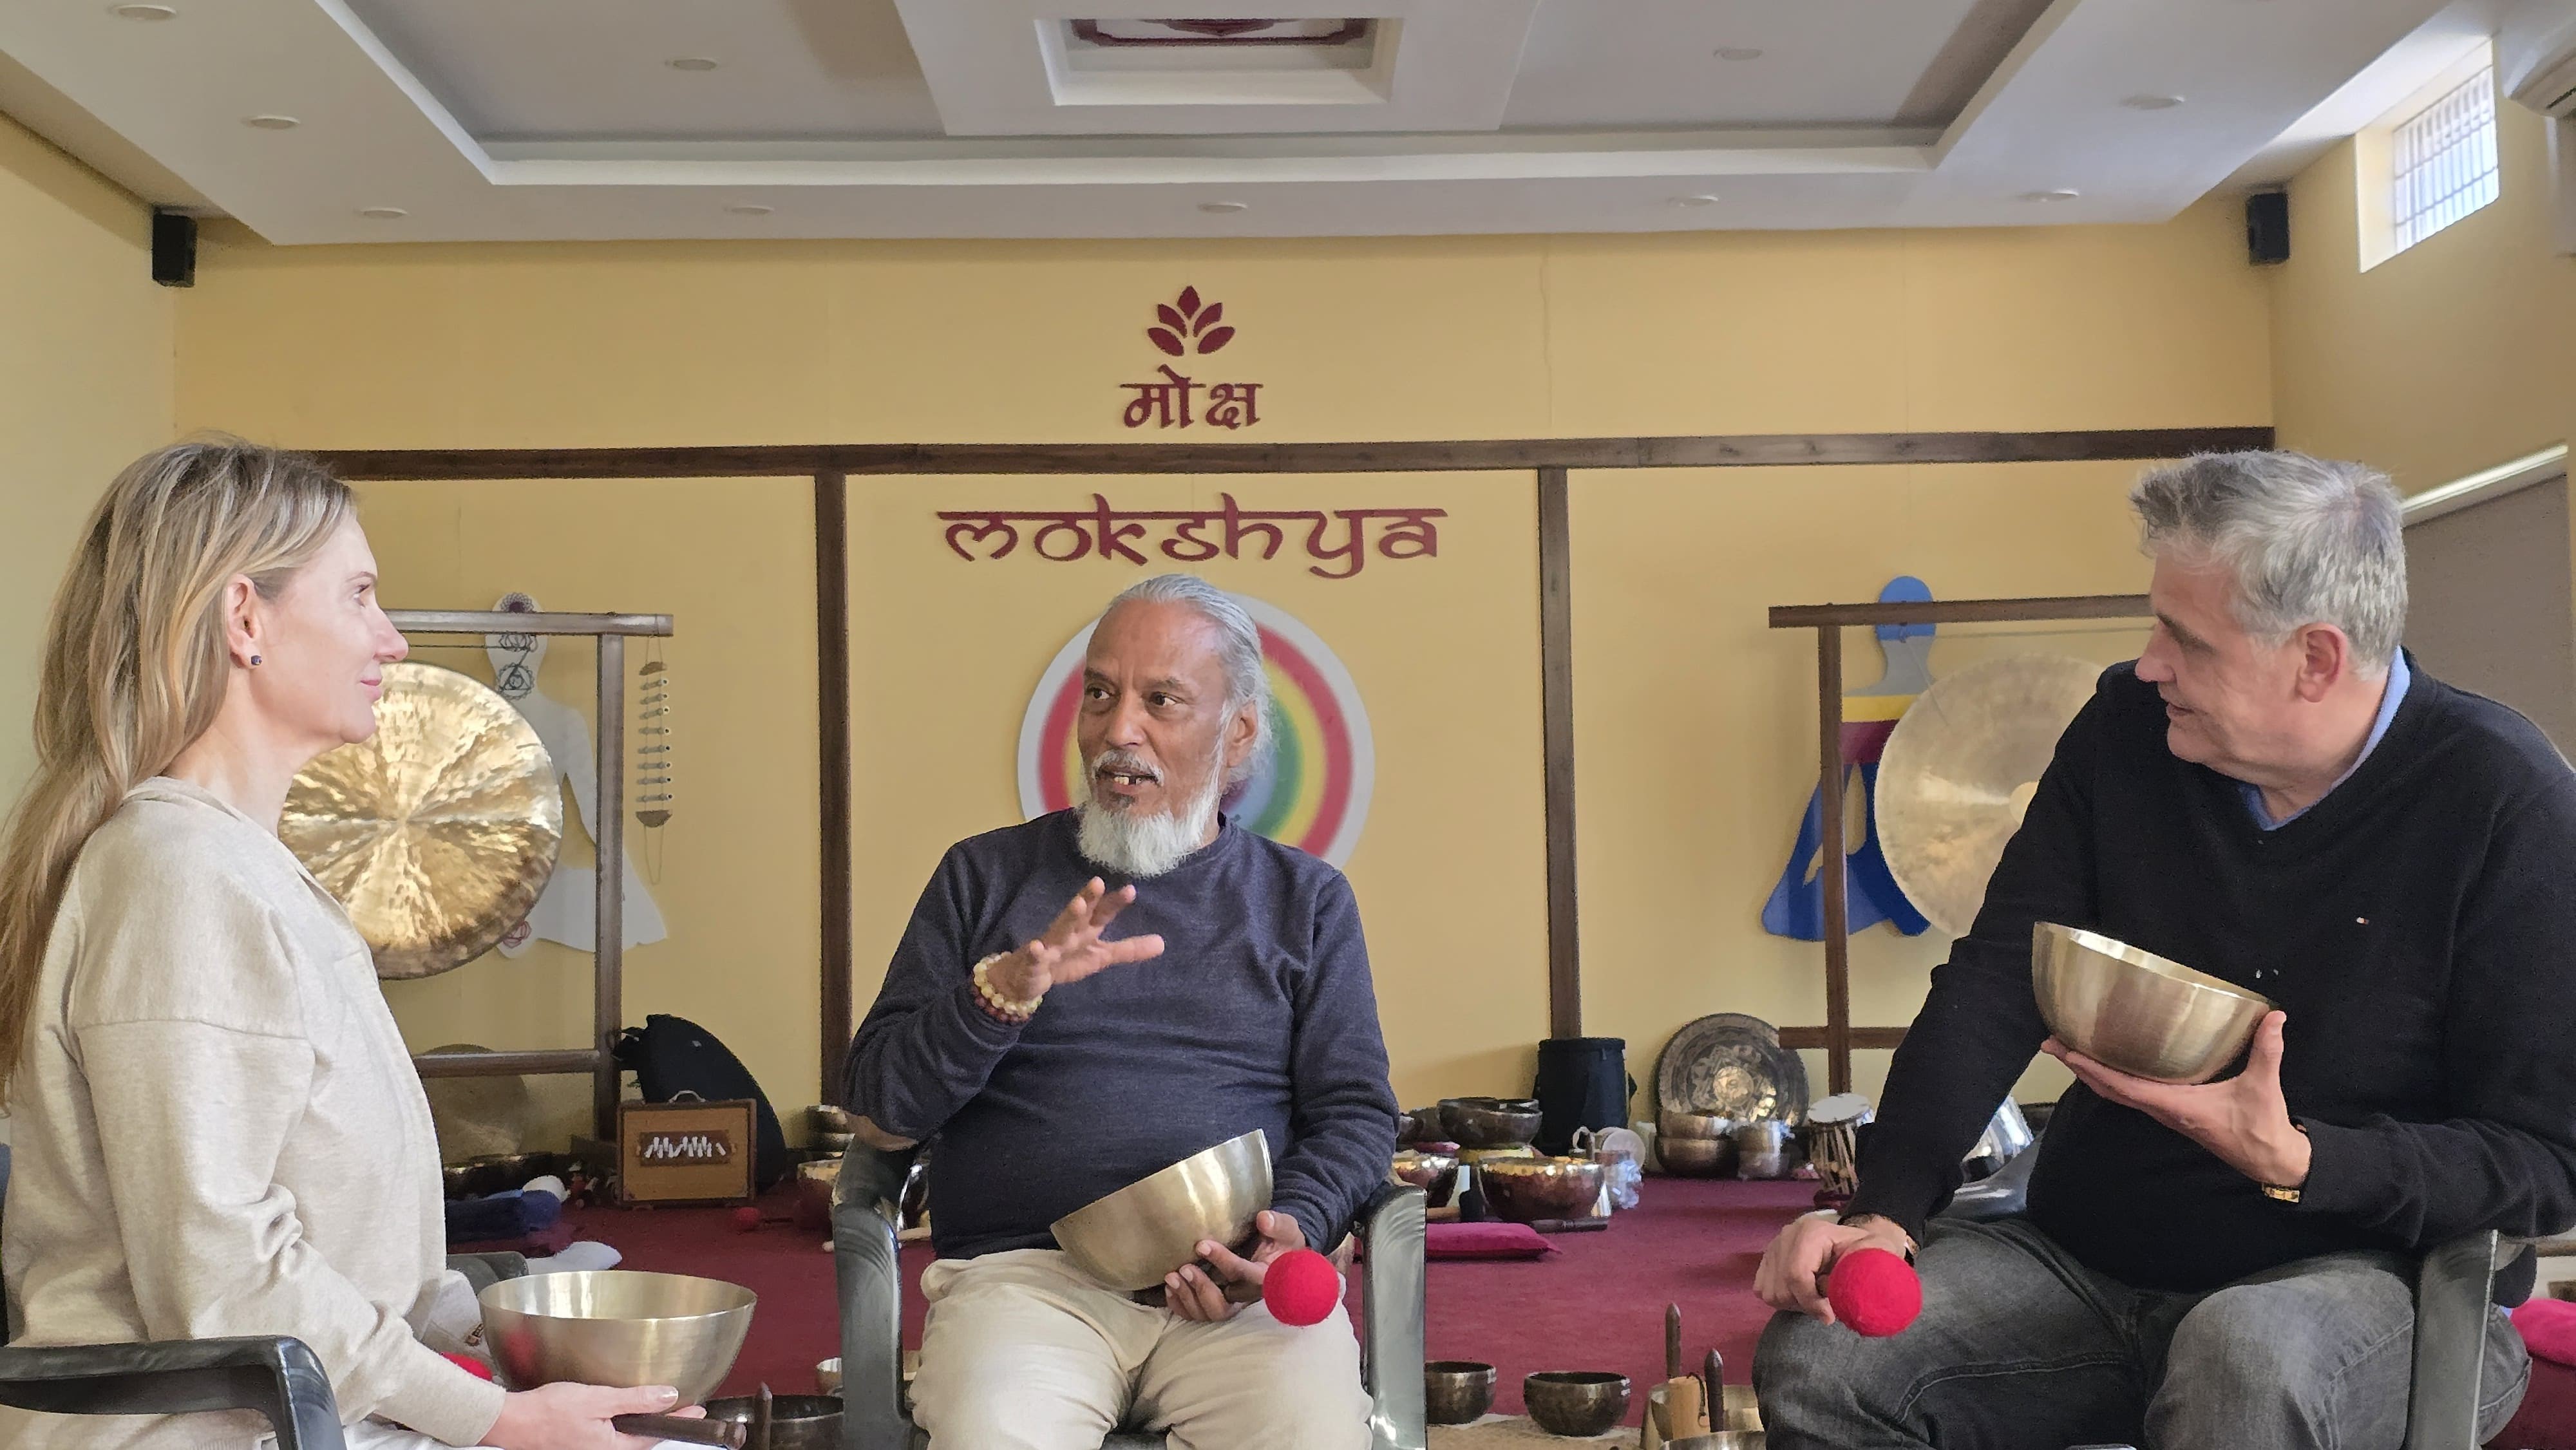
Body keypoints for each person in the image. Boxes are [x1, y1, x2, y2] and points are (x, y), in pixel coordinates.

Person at [1753, 450, 2574, 1448]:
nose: (2150, 663)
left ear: (2316, 660)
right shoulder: (2125, 729)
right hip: (2090, 1262)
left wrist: (2304, 1160)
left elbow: (2546, 1161)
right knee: (1826, 1363)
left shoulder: (2505, 800)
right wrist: (1885, 1210)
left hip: (2374, 1282)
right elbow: (2001, 975)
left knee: (2240, 1360)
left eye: (2187, 640)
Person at [0, 439, 693, 1448]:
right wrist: (496, 1418)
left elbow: (332, 1245)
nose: (392, 640)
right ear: (245, 619)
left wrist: (494, 1344)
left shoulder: (235, 867)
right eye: (360, 595)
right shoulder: (176, 878)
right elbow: (226, 1277)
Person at [844, 573, 1398, 1450]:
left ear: (1239, 730)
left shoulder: (1307, 900)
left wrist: (1288, 1228)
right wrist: (998, 997)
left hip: (1239, 1295)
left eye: (1161, 701)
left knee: (1313, 1433)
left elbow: (1356, 1114)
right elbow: (879, 1112)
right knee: (994, 1433)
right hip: (1026, 1286)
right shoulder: (982, 877)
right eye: (1099, 694)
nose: (1117, 730)